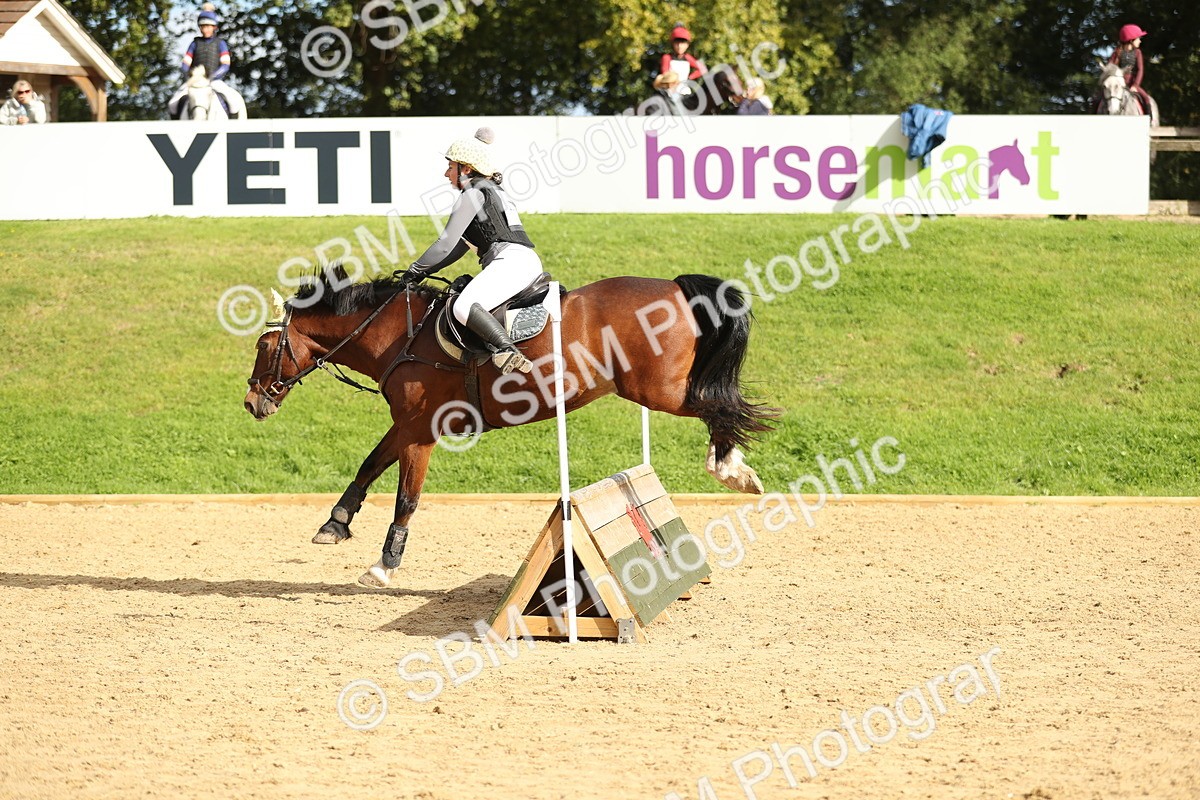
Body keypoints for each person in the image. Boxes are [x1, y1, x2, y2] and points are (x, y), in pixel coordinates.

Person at [400, 128, 540, 375]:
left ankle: (508, 351)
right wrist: (425, 272)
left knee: (463, 307)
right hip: (523, 260)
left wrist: (414, 270)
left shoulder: (473, 193)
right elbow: (458, 248)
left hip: (510, 262)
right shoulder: (492, 190)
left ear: (465, 169)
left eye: (450, 166)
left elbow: (444, 244)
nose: (446, 173)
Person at [168, 4, 244, 119]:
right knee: (172, 104)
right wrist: (191, 76)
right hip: (195, 82)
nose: (205, 29)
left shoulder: (220, 44)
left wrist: (211, 77)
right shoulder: (194, 44)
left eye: (208, 26)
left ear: (214, 27)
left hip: (214, 80)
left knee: (233, 102)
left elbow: (225, 65)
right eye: (203, 26)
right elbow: (185, 64)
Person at [654, 23, 706, 111]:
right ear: (673, 44)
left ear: (687, 45)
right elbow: (665, 74)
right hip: (670, 92)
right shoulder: (667, 58)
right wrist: (673, 82)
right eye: (677, 43)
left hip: (685, 91)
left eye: (683, 43)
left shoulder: (688, 58)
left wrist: (690, 77)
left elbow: (703, 69)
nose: (679, 46)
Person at [1108, 24, 1151, 116]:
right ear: (1131, 40)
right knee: (1097, 98)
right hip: (1118, 83)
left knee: (1146, 98)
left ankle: (1150, 120)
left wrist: (1135, 85)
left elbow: (1140, 70)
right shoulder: (1117, 52)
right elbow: (1109, 68)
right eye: (1138, 38)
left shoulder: (1138, 52)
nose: (1139, 41)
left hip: (1132, 83)